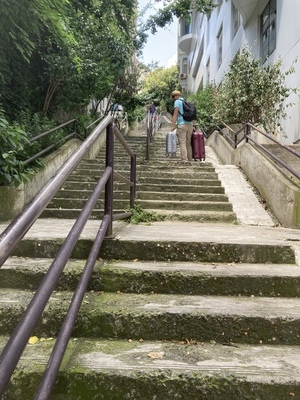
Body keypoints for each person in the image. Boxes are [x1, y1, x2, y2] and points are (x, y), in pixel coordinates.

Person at [170, 90, 193, 162]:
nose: (173, 99)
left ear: (175, 96)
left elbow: (175, 114)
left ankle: (184, 159)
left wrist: (172, 125)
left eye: (173, 97)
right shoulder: (186, 102)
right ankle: (190, 159)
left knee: (182, 142)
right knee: (188, 143)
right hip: (190, 125)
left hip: (182, 125)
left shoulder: (177, 102)